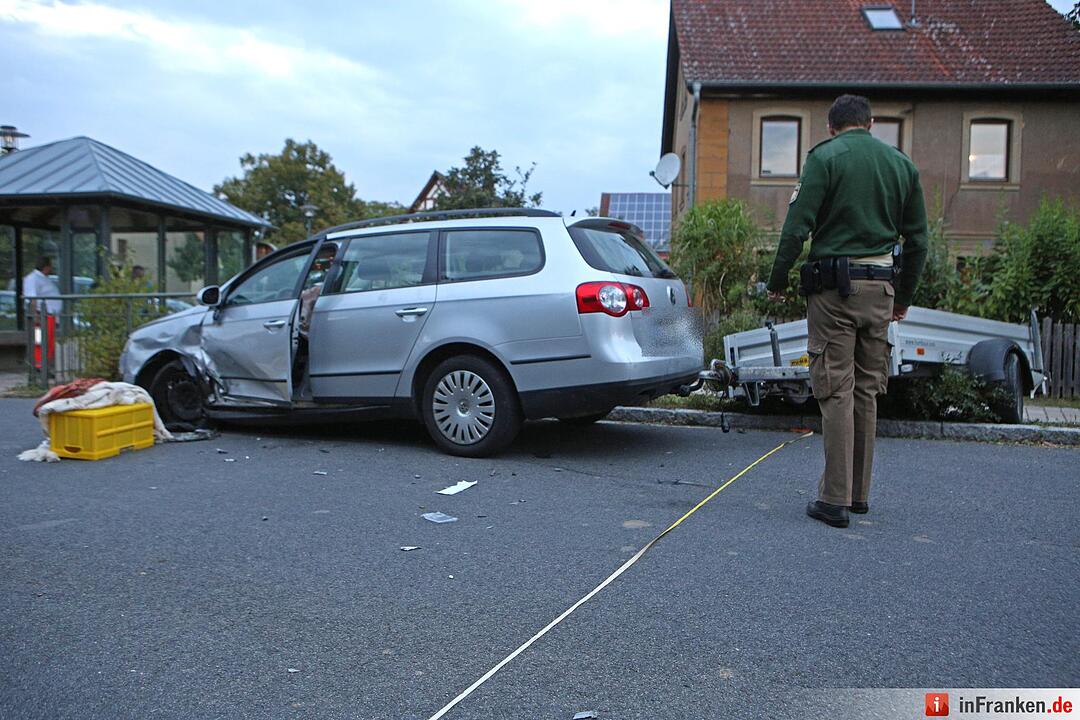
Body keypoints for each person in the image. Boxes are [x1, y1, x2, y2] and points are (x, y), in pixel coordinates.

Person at [766, 94, 928, 529]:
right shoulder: (901, 165)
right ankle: (858, 495)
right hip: (881, 291)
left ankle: (833, 499)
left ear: (831, 127)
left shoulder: (825, 157)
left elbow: (796, 226)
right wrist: (904, 297)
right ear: (871, 123)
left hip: (834, 292)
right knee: (866, 390)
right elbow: (919, 241)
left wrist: (777, 280)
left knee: (835, 387)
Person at [23, 256, 62, 369]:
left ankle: (45, 365)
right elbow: (32, 298)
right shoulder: (33, 278)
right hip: (41, 316)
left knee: (48, 342)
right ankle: (39, 366)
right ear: (46, 267)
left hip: (49, 316)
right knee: (40, 341)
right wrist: (35, 315)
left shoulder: (43, 278)